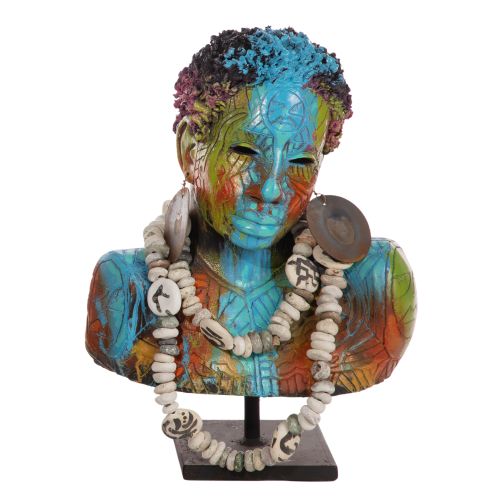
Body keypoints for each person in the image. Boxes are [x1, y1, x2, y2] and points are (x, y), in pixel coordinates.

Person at [86, 27, 416, 399]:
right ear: (190, 151)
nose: (271, 189)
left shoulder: (374, 286)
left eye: (301, 161)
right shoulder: (128, 288)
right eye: (245, 152)